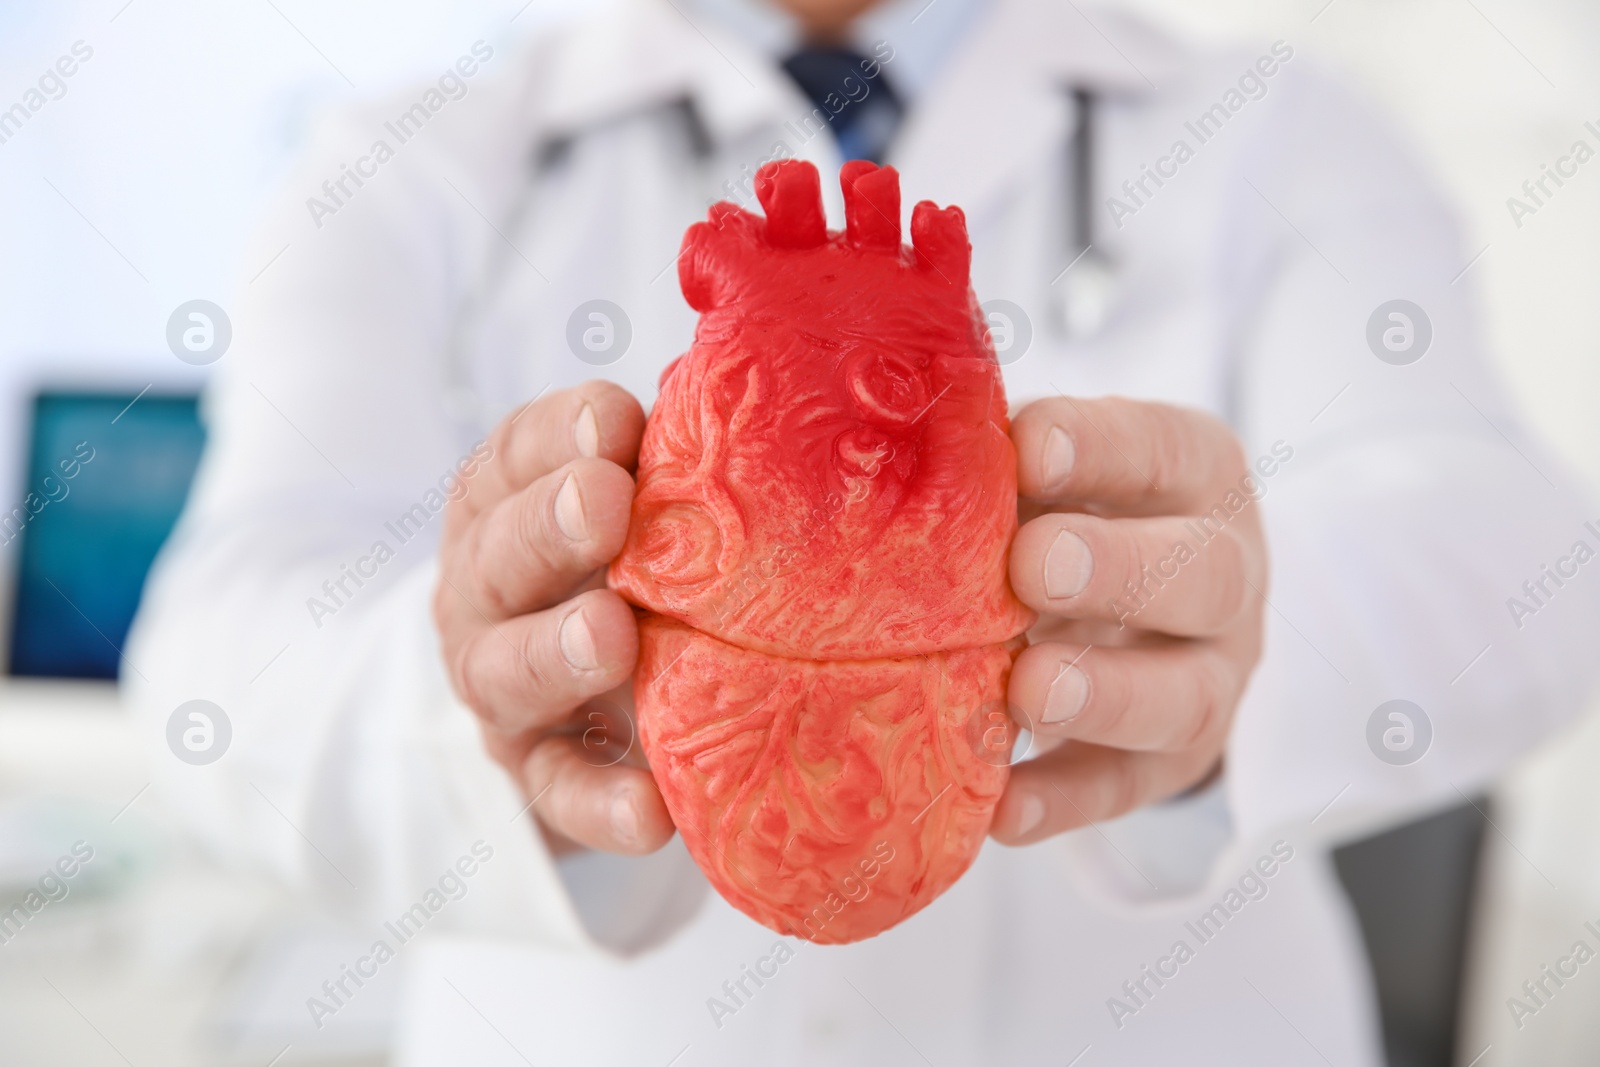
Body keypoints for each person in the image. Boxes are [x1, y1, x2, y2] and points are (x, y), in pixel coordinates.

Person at [126, 0, 1600, 1062]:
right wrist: (475, 692)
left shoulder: (1279, 131)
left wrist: (1237, 643)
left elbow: (1534, 567)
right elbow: (207, 671)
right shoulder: (411, 164)